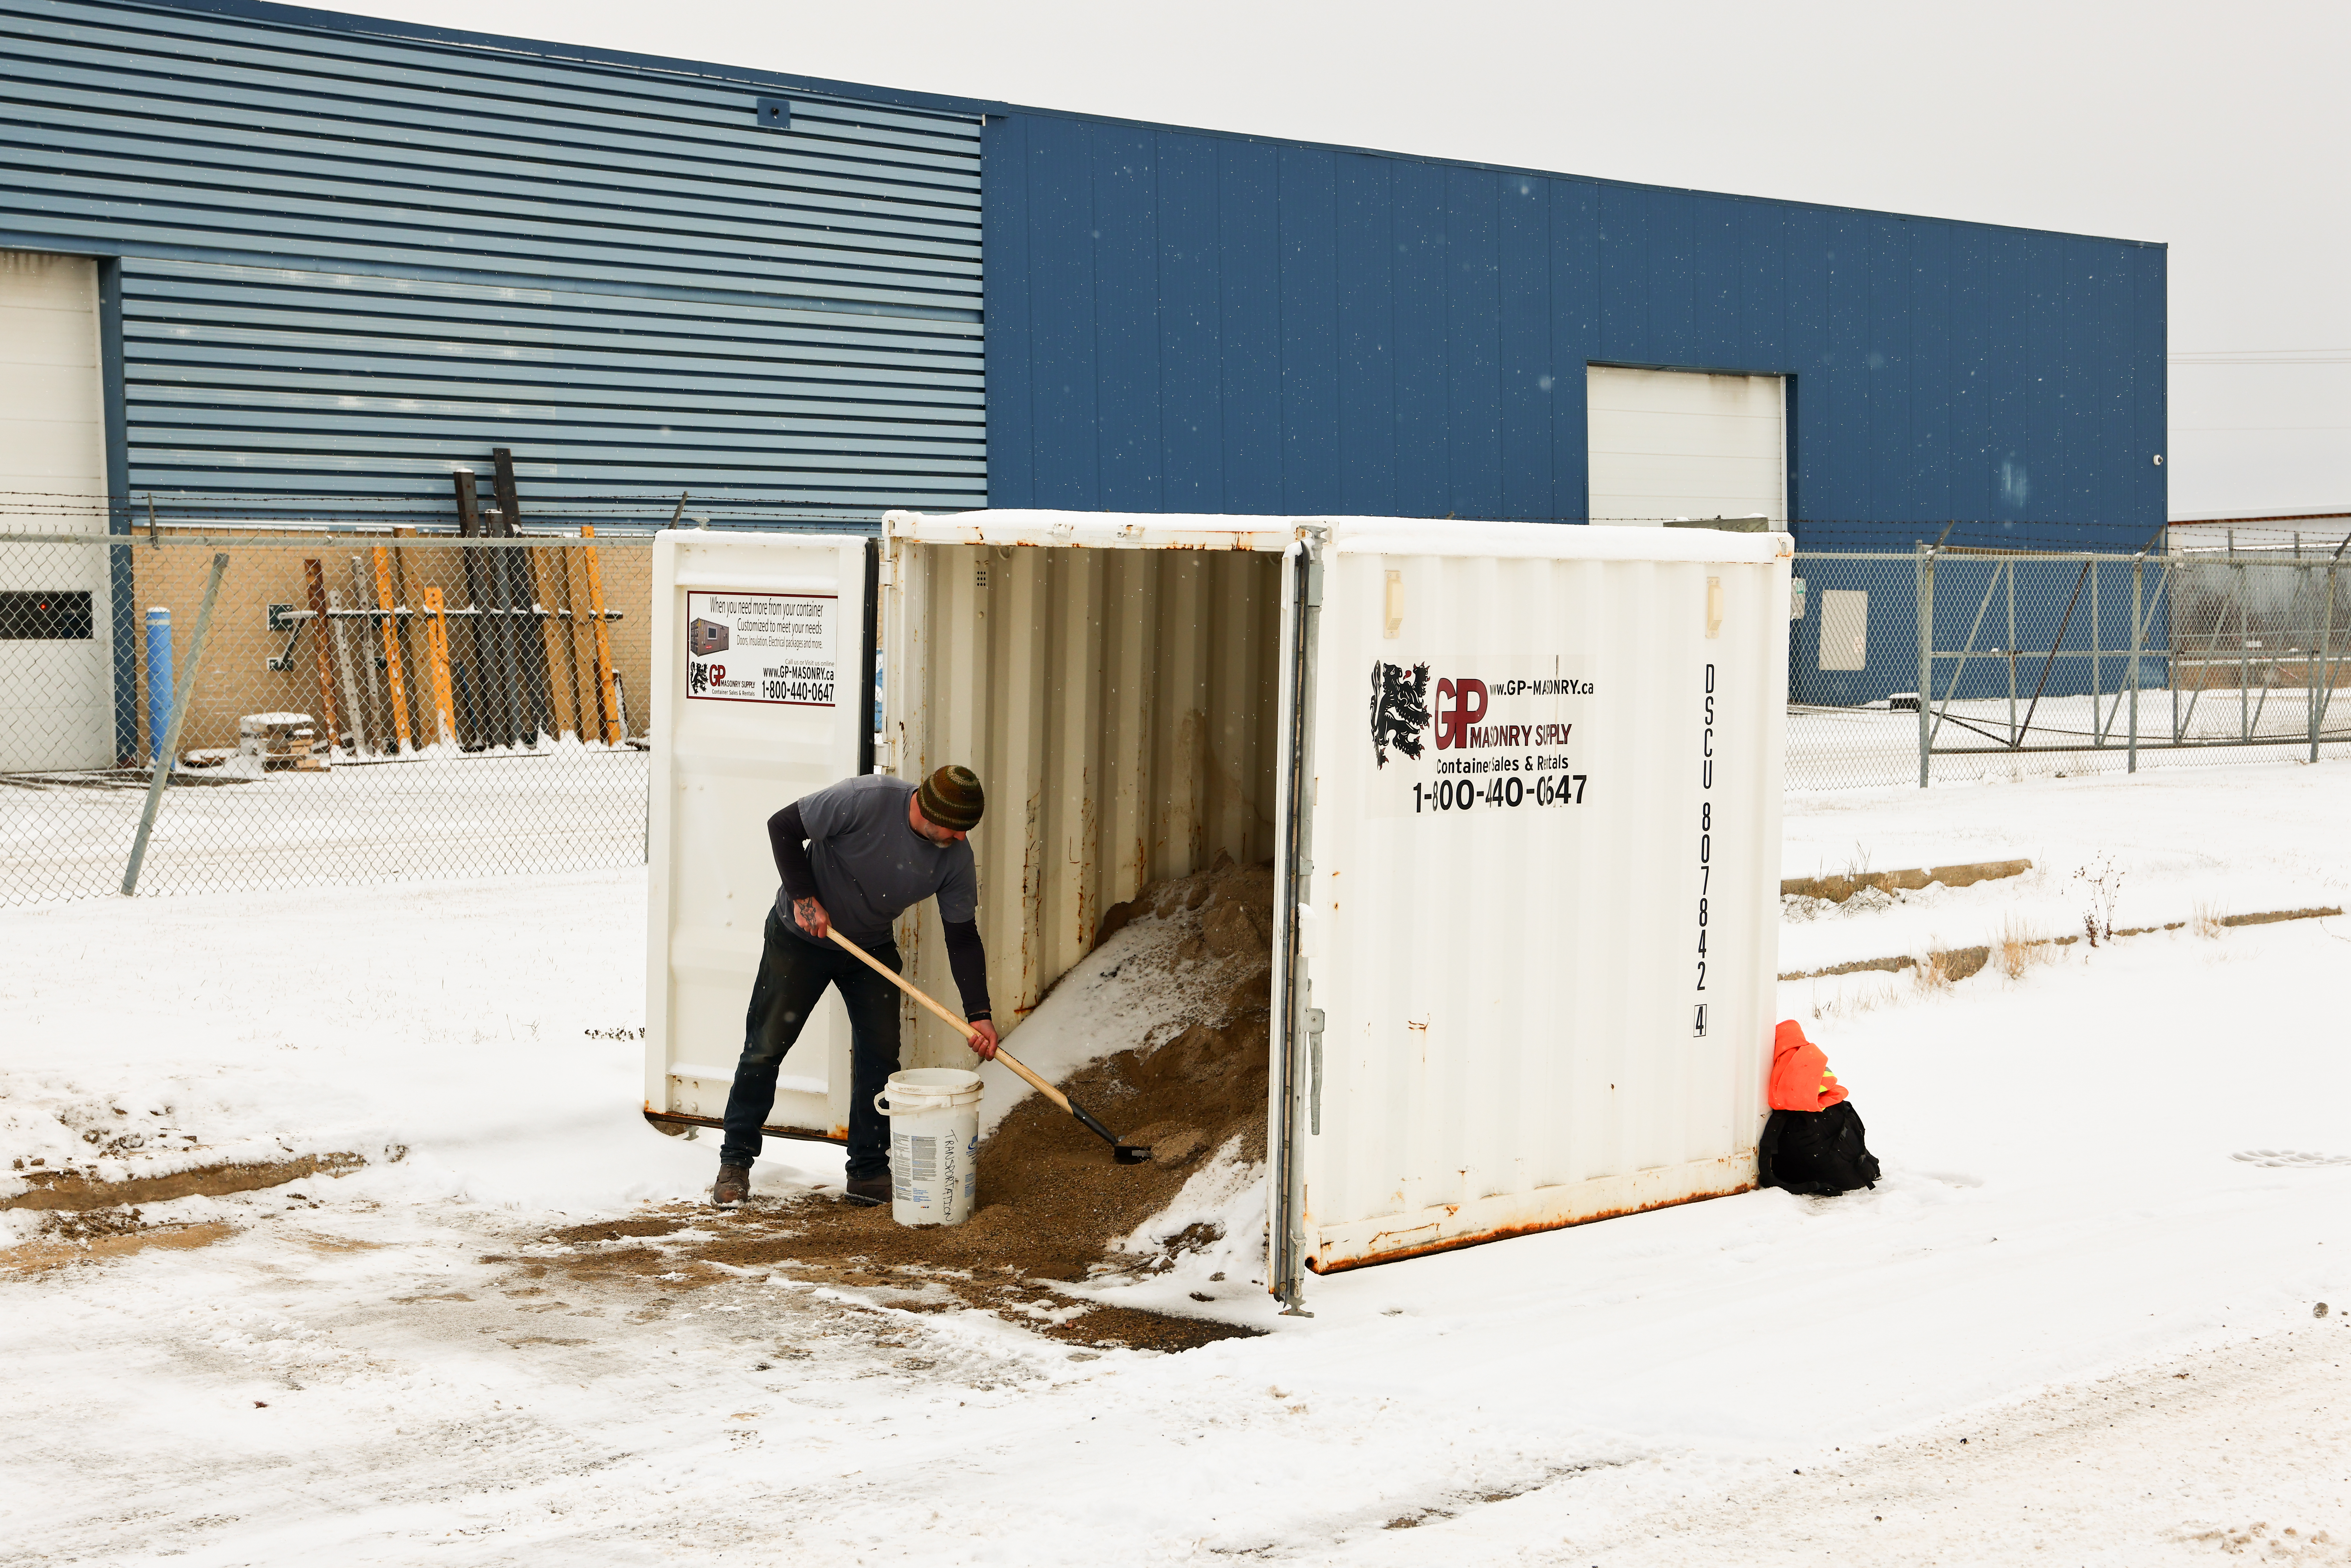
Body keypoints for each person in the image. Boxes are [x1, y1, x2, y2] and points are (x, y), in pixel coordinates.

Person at [712, 766, 999, 1208]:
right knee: (766, 1047)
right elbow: (783, 826)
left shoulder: (955, 858)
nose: (962, 839)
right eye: (956, 828)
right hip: (800, 938)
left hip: (869, 946)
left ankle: (867, 1171)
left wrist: (980, 1013)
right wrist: (805, 898)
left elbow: (961, 936)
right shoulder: (865, 798)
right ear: (927, 809)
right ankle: (735, 1163)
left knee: (880, 1055)